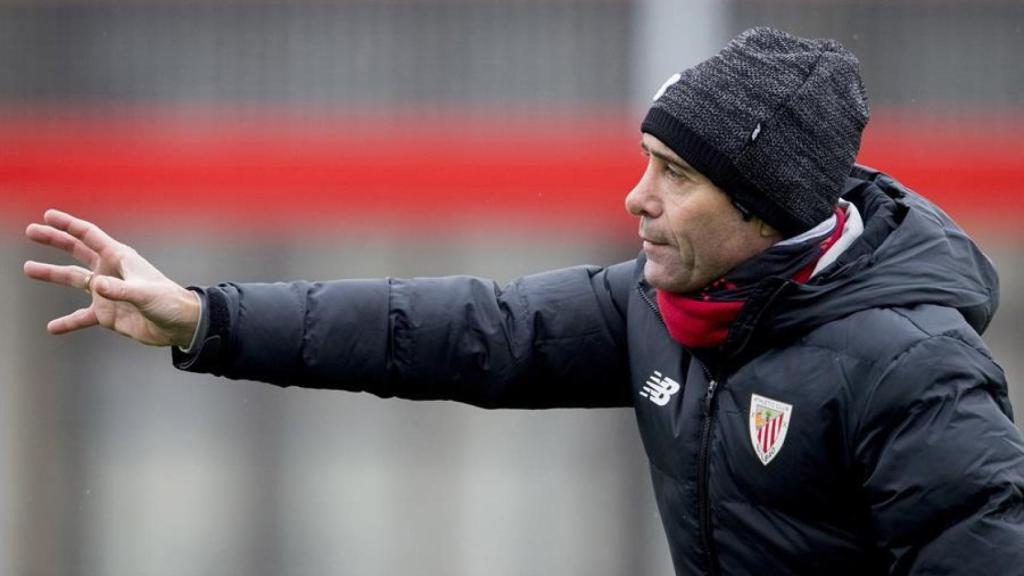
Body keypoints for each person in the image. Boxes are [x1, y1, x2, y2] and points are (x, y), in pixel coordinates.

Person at [23, 27, 1024, 575]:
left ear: (765, 211)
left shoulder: (913, 371)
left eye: (674, 174)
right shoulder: (663, 308)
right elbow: (456, 331)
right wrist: (206, 318)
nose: (636, 198)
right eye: (645, 161)